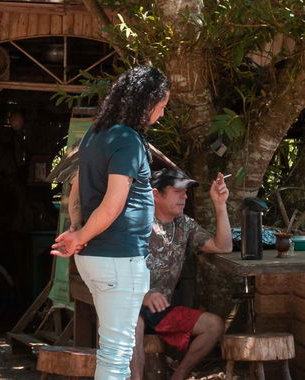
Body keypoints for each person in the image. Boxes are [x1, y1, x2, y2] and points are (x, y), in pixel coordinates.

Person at [53, 65, 170, 380]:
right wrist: (79, 236)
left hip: (97, 257)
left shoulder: (97, 132)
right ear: (146, 103)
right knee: (117, 355)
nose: (160, 115)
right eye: (160, 107)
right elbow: (113, 204)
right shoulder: (127, 140)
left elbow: (77, 185)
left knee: (112, 349)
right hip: (117, 258)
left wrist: (78, 228)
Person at [132, 168, 232, 380]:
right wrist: (145, 295)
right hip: (131, 305)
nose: (185, 196)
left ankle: (179, 376)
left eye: (185, 191)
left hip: (163, 311)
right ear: (155, 194)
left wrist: (220, 204)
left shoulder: (184, 224)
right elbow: (114, 271)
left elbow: (223, 246)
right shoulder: (135, 223)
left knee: (214, 325)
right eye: (177, 191)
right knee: (134, 324)